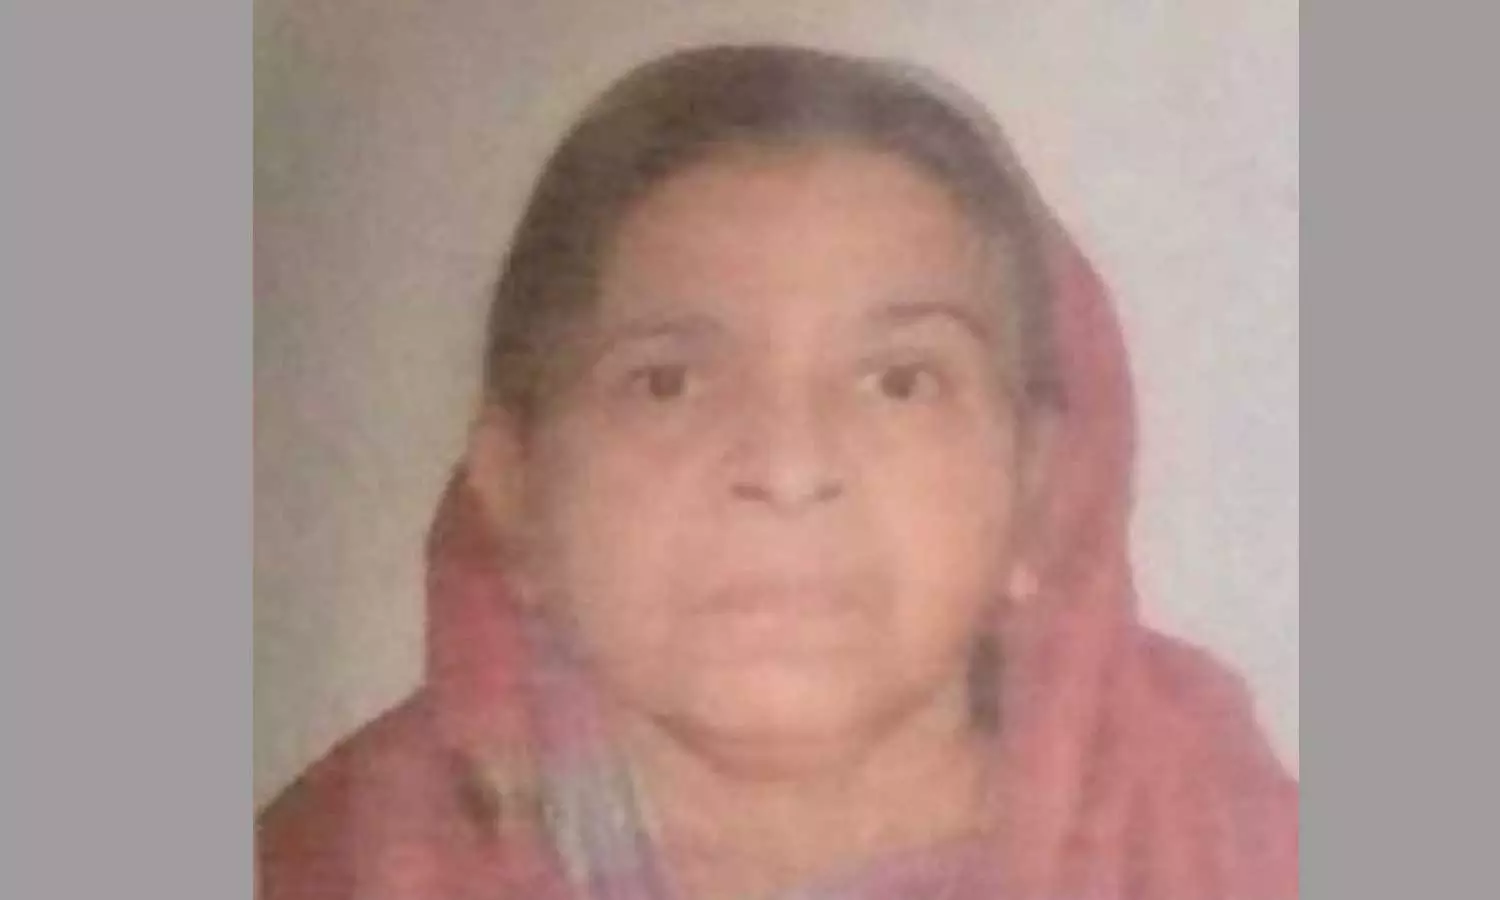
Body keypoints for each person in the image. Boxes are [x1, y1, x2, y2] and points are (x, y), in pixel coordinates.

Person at [256, 44, 1298, 900]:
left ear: (1038, 490)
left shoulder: (1216, 840)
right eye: (668, 383)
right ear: (517, 486)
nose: (789, 468)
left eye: (901, 382)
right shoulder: (334, 864)